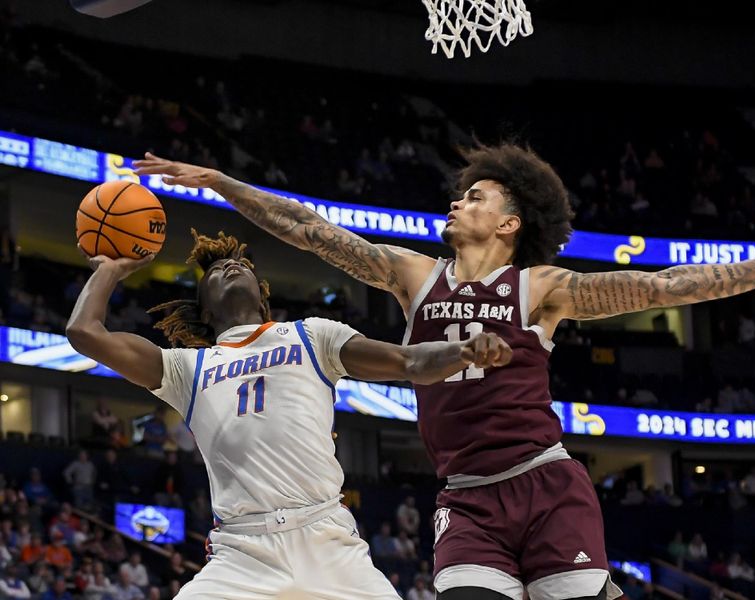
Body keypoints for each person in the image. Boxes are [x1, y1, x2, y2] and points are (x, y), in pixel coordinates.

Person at [135, 147, 755, 600]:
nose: (459, 201)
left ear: (509, 222)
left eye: (475, 195)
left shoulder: (541, 288)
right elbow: (310, 230)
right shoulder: (413, 275)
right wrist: (222, 183)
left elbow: (662, 288)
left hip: (544, 484)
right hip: (466, 498)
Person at [66, 229, 511, 600]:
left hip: (327, 539)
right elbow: (84, 332)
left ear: (263, 300)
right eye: (216, 270)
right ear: (204, 308)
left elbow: (409, 362)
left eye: (241, 265)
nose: (229, 266)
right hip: (242, 552)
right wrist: (108, 271)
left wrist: (464, 351)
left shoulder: (312, 336)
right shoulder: (186, 368)